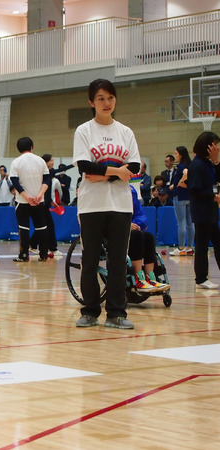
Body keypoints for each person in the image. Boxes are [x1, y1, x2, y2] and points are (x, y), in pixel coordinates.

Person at [73, 78, 141, 330]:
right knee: (90, 260)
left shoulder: (125, 131)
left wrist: (104, 174)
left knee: (117, 261)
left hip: (121, 205)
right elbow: (84, 166)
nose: (106, 102)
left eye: (110, 97)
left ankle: (116, 313)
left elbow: (133, 166)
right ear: (91, 102)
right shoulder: (84, 131)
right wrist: (117, 172)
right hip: (91, 205)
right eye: (100, 98)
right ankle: (90, 311)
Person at [187, 131, 220, 289]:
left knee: (217, 242)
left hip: (210, 210)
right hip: (202, 211)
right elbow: (194, 190)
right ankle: (201, 278)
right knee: (202, 245)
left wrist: (216, 161)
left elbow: (216, 180)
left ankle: (202, 277)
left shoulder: (208, 163)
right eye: (214, 144)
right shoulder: (198, 164)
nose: (217, 148)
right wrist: (213, 197)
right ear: (208, 146)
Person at [9, 137, 50, 262]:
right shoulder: (41, 161)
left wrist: (27, 197)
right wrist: (39, 195)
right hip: (39, 201)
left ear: (18, 149)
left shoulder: (16, 162)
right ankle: (44, 255)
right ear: (32, 147)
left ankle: (24, 255)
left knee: (23, 228)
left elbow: (14, 181)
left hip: (23, 202)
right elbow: (47, 179)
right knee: (41, 227)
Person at [128, 186, 170, 293]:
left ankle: (150, 276)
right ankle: (138, 278)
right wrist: (127, 224)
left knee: (148, 237)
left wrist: (137, 224)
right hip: (115, 231)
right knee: (136, 235)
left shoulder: (130, 191)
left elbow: (140, 214)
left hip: (130, 230)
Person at [169, 145, 194, 256]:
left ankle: (181, 248)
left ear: (180, 154)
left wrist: (180, 182)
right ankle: (189, 247)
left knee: (181, 223)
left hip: (180, 197)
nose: (175, 155)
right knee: (190, 223)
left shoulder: (181, 166)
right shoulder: (191, 164)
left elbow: (186, 173)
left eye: (176, 153)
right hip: (189, 197)